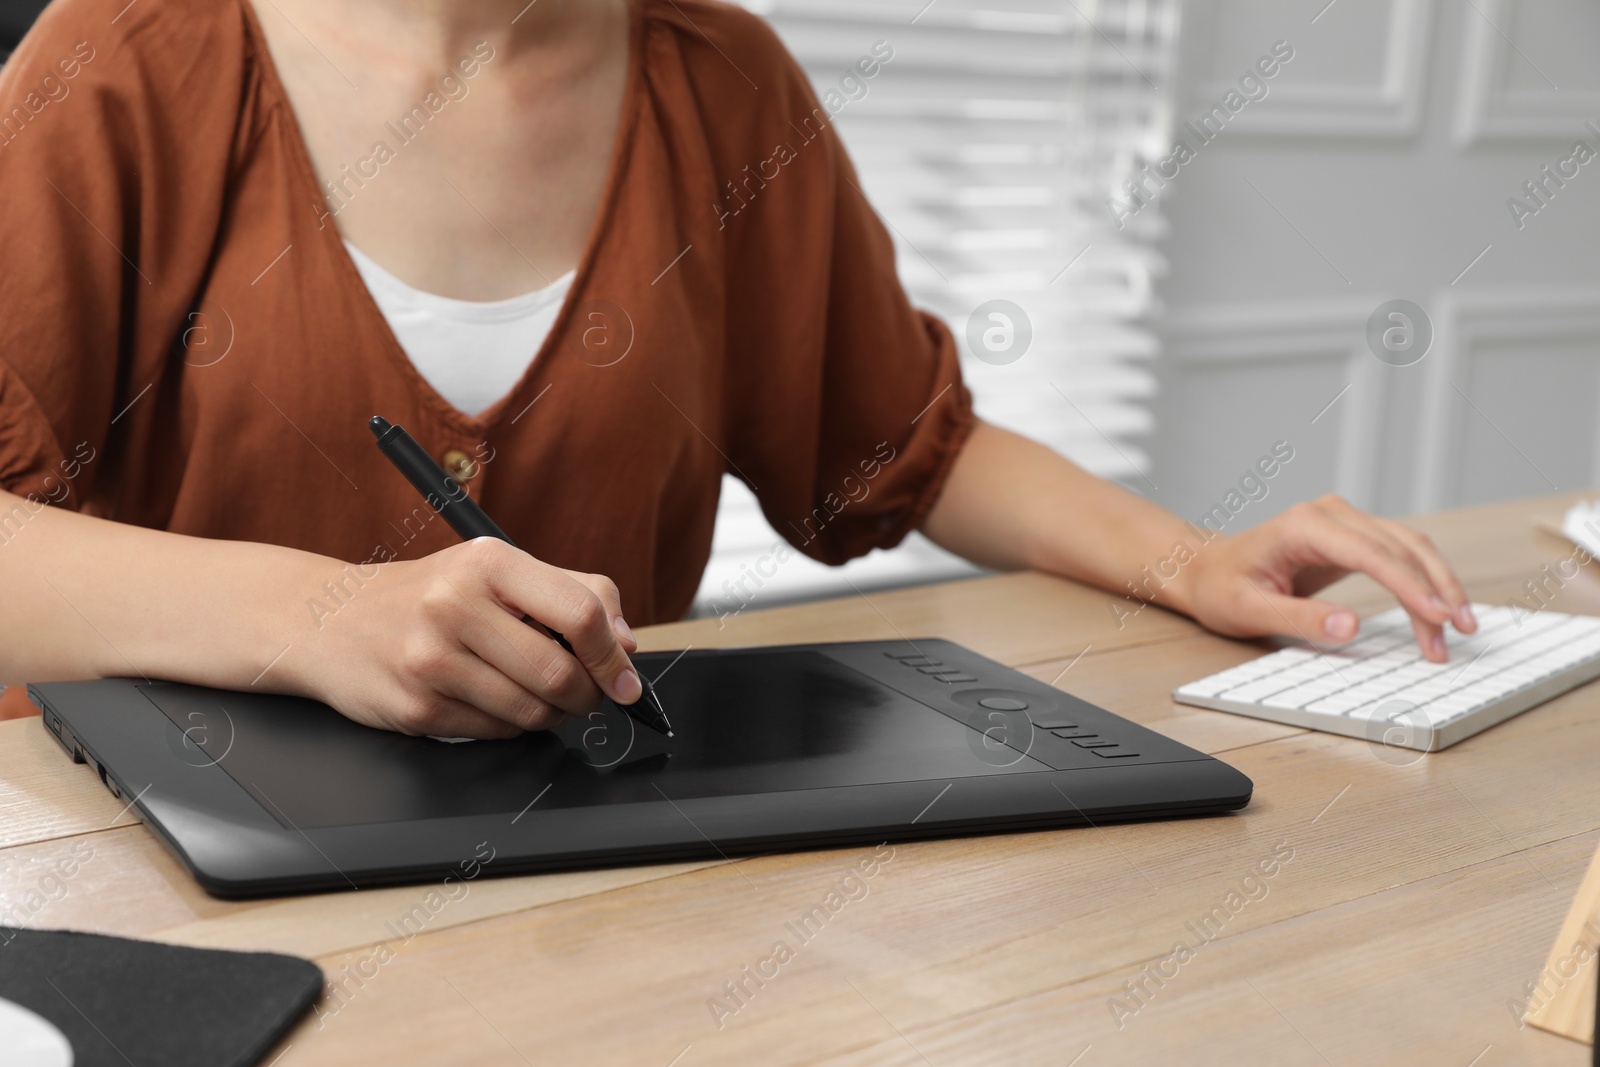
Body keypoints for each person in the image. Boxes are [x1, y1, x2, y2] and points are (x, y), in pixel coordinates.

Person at [0, 0, 1476, 738]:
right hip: (159, 865)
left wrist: (1190, 562)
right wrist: (323, 618)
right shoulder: (127, 61)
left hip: (591, 871)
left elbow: (909, 442)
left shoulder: (721, 83)